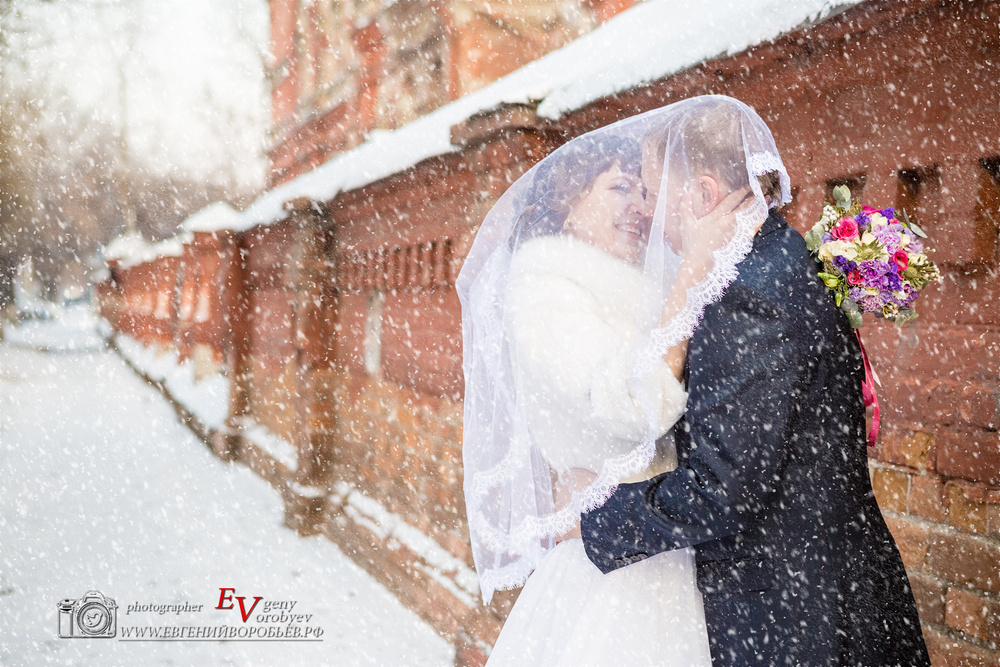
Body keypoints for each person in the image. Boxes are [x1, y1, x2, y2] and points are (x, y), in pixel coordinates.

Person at [580, 96, 931, 666]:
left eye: (655, 191)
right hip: (828, 596)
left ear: (703, 195)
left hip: (798, 624)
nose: (649, 212)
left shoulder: (745, 295)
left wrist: (593, 517)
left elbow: (720, 492)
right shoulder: (782, 260)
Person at [457, 96, 774, 665]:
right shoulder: (545, 289)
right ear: (568, 206)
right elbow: (632, 403)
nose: (640, 207)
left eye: (643, 190)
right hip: (619, 563)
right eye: (617, 189)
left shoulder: (647, 284)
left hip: (672, 539)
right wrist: (695, 272)